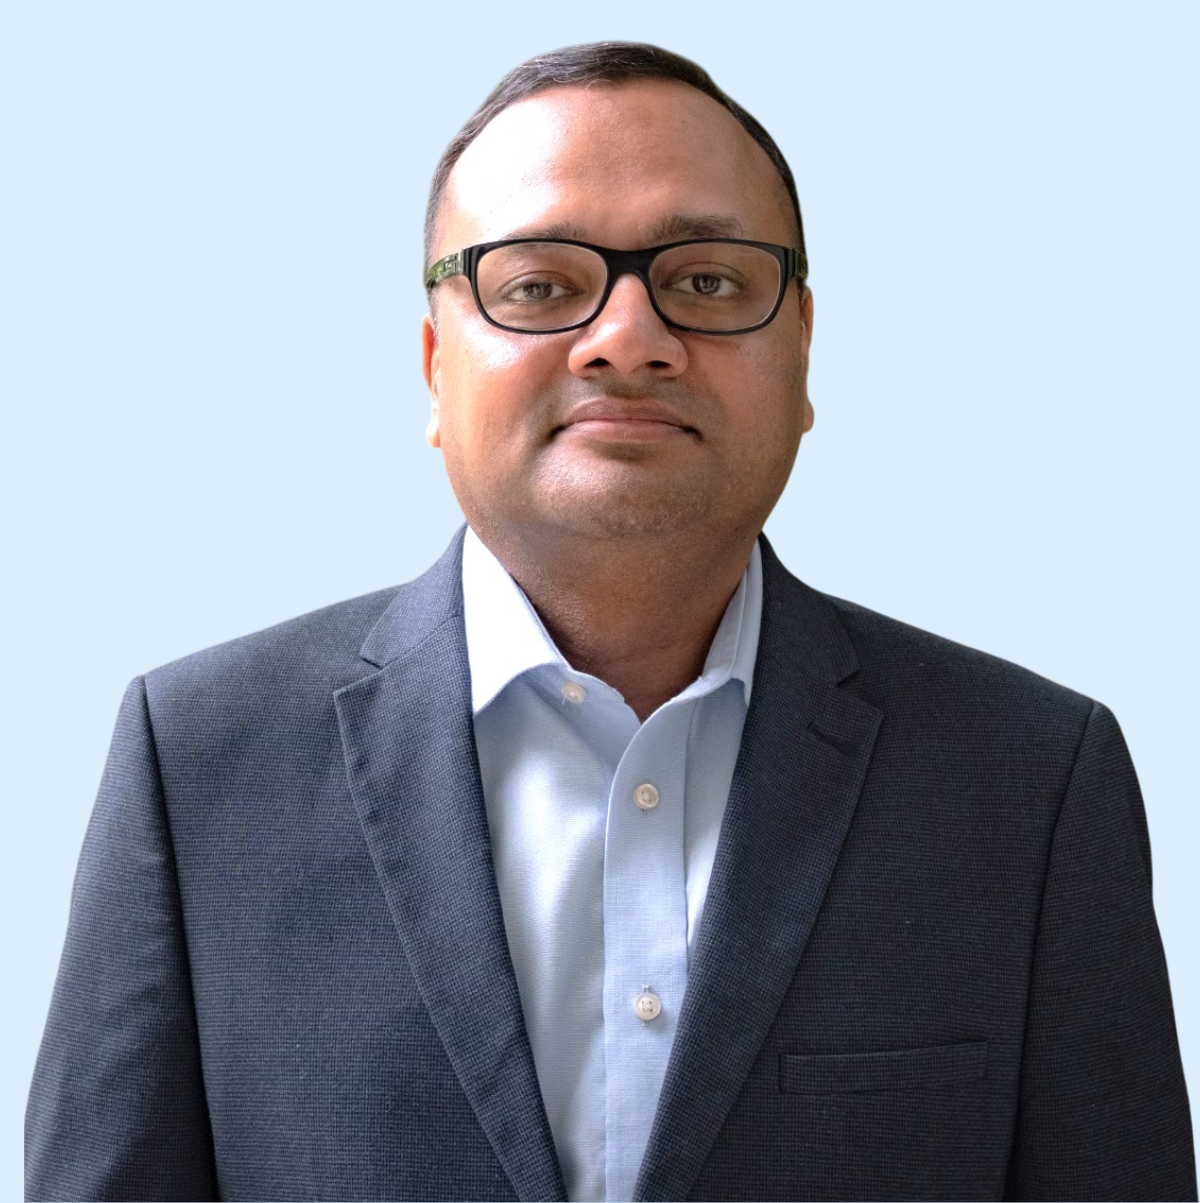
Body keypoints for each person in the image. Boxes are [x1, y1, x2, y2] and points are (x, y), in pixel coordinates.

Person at [25, 39, 1195, 1203]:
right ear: (434, 368)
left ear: (802, 355)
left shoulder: (1031, 781)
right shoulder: (200, 765)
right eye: (538, 285)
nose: (628, 337)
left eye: (708, 282)